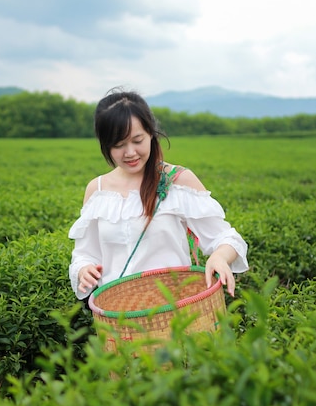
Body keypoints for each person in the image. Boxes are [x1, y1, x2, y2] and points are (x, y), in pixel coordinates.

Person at [68, 88, 248, 301]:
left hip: (175, 308)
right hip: (117, 315)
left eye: (137, 140)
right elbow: (84, 254)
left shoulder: (177, 180)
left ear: (151, 134)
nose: (130, 153)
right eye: (119, 145)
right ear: (105, 145)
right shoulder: (97, 190)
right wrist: (83, 269)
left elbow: (226, 238)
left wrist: (219, 257)